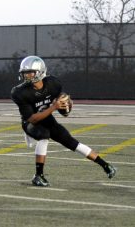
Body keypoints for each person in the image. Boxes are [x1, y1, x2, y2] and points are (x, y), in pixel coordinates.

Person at [11, 55, 117, 187]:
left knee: (71, 141)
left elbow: (62, 98)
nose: (27, 76)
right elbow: (33, 118)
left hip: (47, 119)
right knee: (44, 135)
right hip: (31, 124)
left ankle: (105, 165)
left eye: (30, 73)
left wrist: (66, 104)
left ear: (40, 72)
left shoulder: (52, 83)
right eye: (25, 74)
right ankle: (38, 176)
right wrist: (54, 107)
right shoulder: (20, 92)